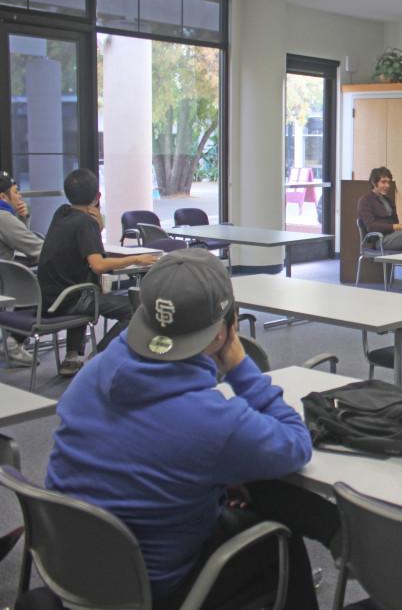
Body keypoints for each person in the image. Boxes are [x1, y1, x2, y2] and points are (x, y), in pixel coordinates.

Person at [44, 249, 337, 609]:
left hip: (72, 569)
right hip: (154, 588)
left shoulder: (93, 373)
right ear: (223, 331)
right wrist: (240, 366)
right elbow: (295, 444)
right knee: (280, 535)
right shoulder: (213, 423)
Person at [38, 169, 159, 376]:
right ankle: (98, 357)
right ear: (97, 197)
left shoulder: (61, 213)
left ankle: (72, 358)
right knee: (136, 310)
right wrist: (137, 258)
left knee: (86, 288)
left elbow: (78, 249)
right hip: (70, 299)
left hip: (47, 297)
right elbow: (98, 265)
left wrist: (98, 229)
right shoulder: (85, 223)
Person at [0, 171, 44, 366]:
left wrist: (23, 217)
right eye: (16, 192)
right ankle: (12, 342)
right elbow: (35, 248)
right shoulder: (3, 217)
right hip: (3, 285)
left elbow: (20, 240)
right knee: (44, 288)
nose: (20, 196)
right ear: (3, 197)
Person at [356, 166, 402, 252]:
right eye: (383, 182)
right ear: (373, 182)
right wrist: (395, 226)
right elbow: (371, 227)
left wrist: (398, 227)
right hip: (379, 240)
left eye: (389, 182)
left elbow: (395, 222)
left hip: (393, 236)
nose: (387, 185)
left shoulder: (388, 200)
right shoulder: (365, 201)